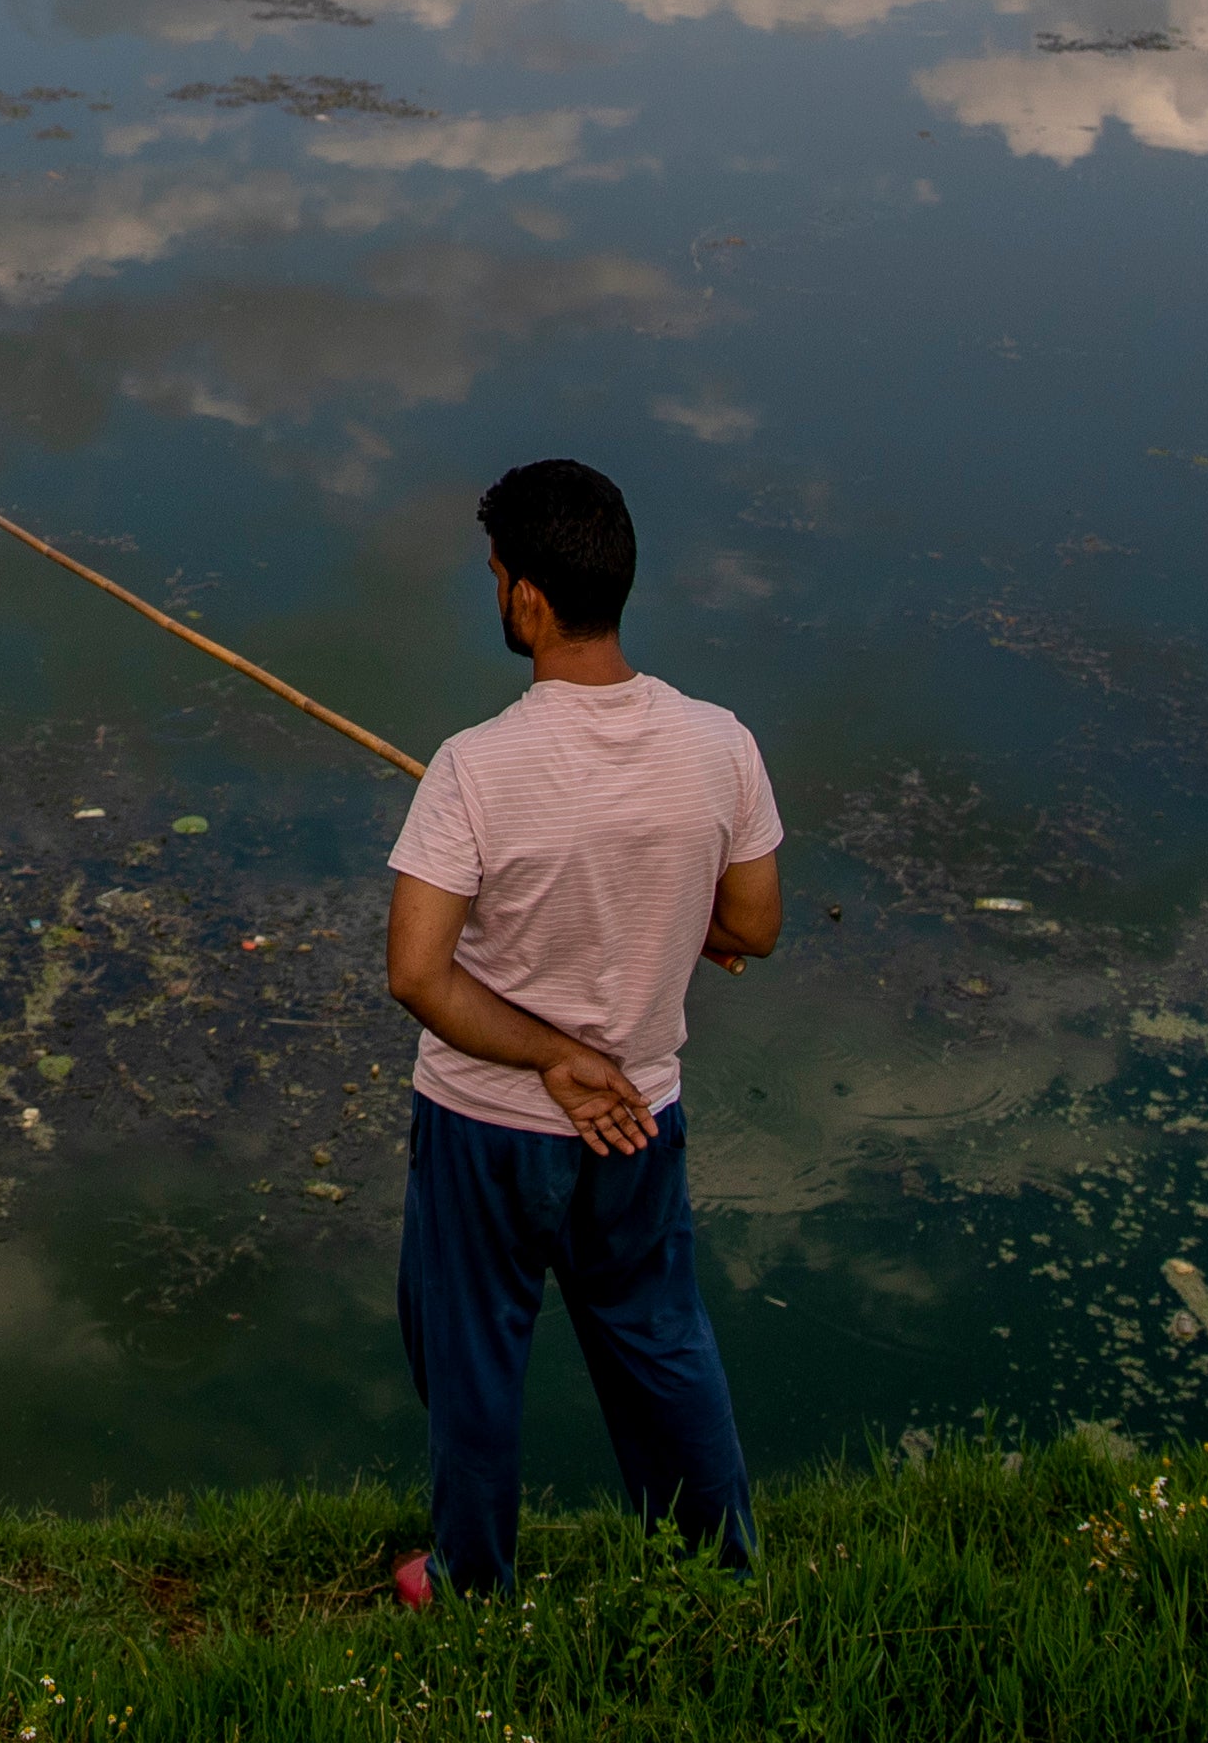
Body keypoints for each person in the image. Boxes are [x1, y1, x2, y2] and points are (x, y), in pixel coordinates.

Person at [378, 456, 782, 1602]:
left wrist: (554, 1055)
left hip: (485, 1128)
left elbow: (418, 973)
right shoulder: (719, 744)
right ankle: (714, 1571)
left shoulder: (473, 767)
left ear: (528, 600)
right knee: (661, 1344)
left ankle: (470, 1582)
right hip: (638, 1121)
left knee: (472, 1362)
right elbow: (753, 925)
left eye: (497, 572)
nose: (496, 589)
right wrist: (675, 884)